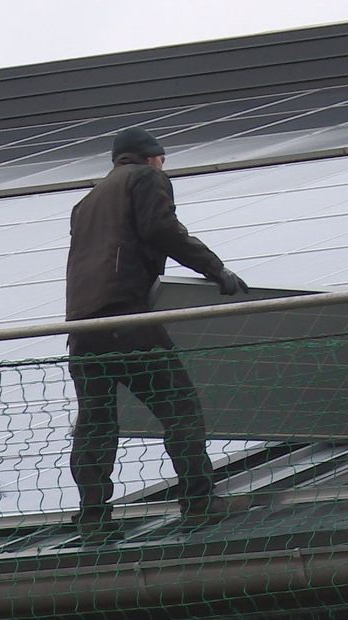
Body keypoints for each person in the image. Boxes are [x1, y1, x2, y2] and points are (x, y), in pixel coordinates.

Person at [65, 127, 251, 541]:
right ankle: (199, 503)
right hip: (127, 318)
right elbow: (162, 229)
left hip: (82, 330)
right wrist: (216, 270)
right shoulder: (146, 178)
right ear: (151, 157)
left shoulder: (85, 203)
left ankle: (94, 520)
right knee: (180, 407)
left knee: (96, 425)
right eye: (163, 159)